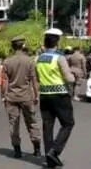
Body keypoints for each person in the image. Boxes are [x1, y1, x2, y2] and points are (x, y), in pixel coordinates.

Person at [36, 28, 75, 168]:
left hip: (44, 95)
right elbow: (68, 78)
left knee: (47, 126)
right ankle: (55, 150)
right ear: (57, 42)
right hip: (60, 95)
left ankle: (49, 157)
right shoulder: (59, 58)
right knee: (68, 123)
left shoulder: (38, 58)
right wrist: (74, 77)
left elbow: (37, 77)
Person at [1, 36, 42, 158]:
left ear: (12, 47)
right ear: (23, 46)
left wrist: (3, 96)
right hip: (26, 96)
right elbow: (33, 81)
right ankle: (37, 148)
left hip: (12, 97)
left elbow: (4, 82)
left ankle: (17, 150)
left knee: (14, 123)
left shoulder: (7, 62)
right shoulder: (29, 61)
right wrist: (36, 95)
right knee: (32, 122)